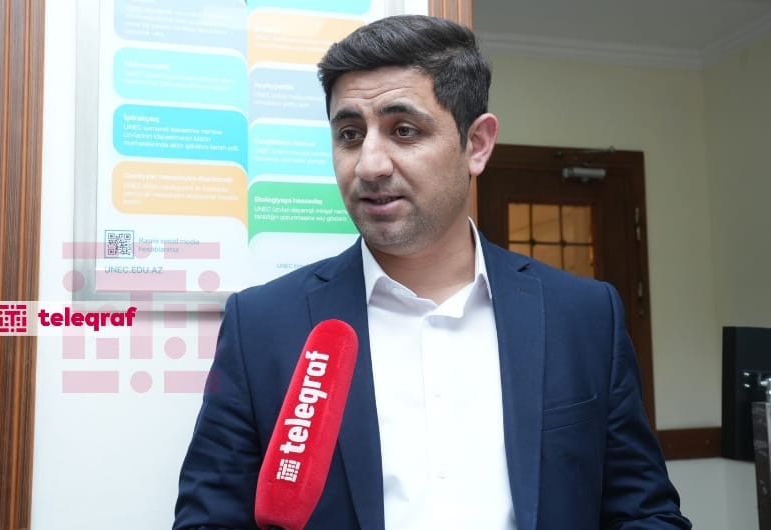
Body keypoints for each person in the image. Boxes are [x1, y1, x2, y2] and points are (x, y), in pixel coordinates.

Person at [174, 14, 691, 530]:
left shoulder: (582, 315)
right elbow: (208, 521)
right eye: (350, 134)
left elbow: (645, 512)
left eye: (404, 131)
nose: (369, 165)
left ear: (477, 144)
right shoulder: (262, 325)